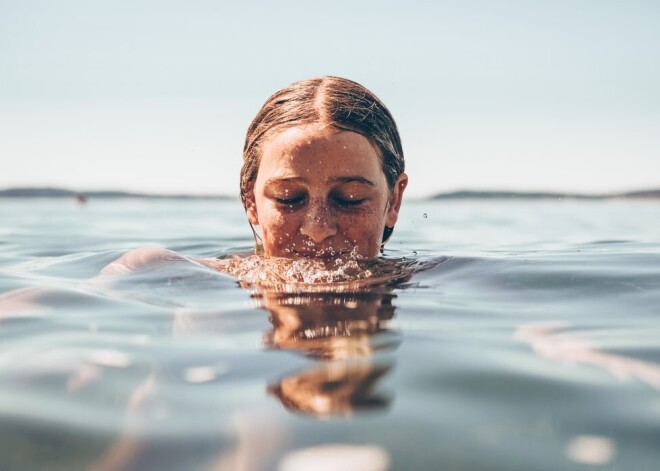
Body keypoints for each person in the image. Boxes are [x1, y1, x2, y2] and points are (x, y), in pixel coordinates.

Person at [101, 76, 408, 277]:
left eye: (349, 198)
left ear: (393, 201)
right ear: (250, 201)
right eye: (289, 198)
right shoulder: (162, 271)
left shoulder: (435, 282)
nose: (318, 229)